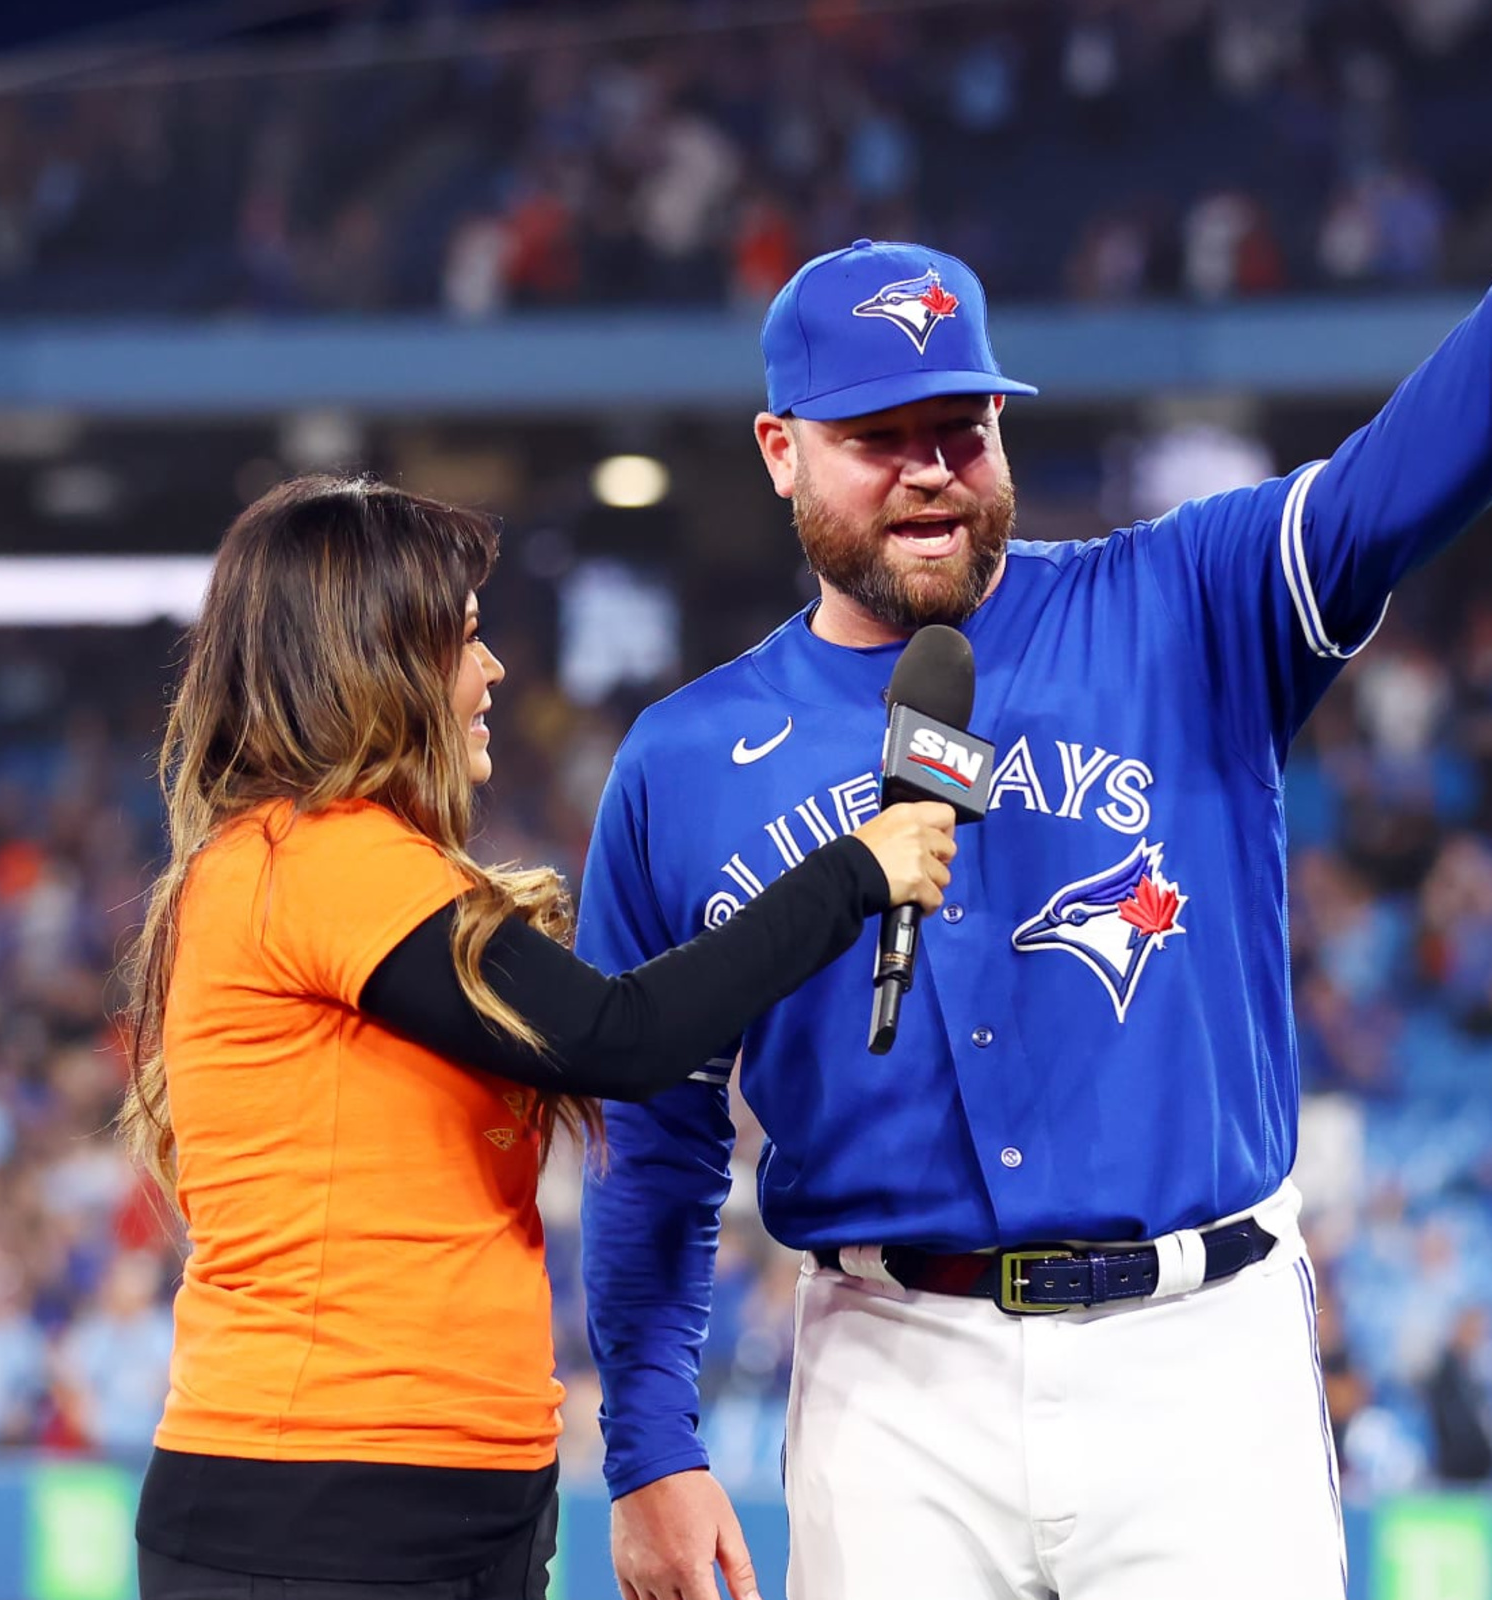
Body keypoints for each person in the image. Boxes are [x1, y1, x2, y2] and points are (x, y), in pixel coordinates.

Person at [576, 237, 1492, 1600]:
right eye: (878, 436)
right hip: (891, 1378)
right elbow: (654, 1145)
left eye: (960, 423)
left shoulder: (1185, 605)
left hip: (1200, 1366)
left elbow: (1406, 473)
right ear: (779, 450)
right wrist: (649, 1442)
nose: (930, 466)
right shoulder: (685, 760)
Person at [116, 473, 958, 1600]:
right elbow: (620, 1037)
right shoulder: (315, 860)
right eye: (464, 637)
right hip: (321, 1500)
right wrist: (858, 869)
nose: (492, 669)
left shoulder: (336, 866)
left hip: (436, 1494)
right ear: (377, 658)